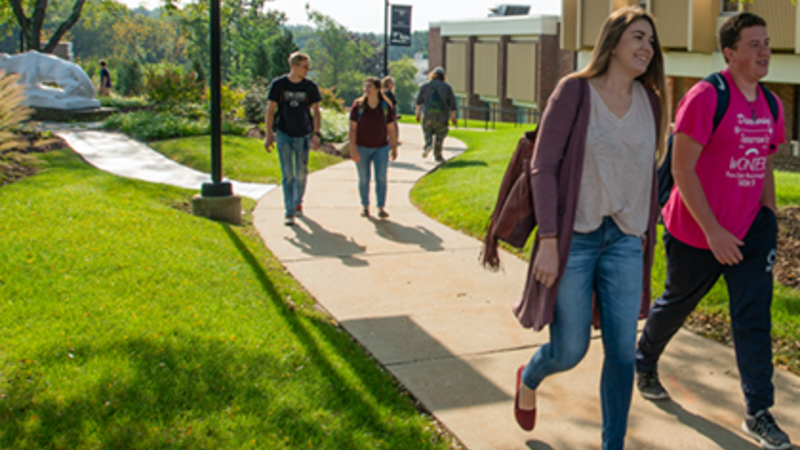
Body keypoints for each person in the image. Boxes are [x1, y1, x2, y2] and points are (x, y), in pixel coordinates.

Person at [635, 12, 792, 450]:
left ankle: (758, 411)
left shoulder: (772, 104)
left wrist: (769, 216)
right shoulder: (706, 96)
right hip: (694, 231)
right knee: (678, 302)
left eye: (766, 43)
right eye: (754, 44)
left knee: (753, 315)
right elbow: (683, 169)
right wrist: (714, 232)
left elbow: (763, 163)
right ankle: (644, 359)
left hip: (748, 229)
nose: (764, 51)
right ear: (730, 53)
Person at [512, 8, 667, 450]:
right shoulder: (574, 92)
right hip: (574, 239)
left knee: (621, 354)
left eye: (651, 42)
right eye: (638, 37)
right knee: (570, 350)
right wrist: (547, 240)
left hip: (624, 241)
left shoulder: (651, 101)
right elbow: (543, 168)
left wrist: (645, 230)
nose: (646, 48)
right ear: (613, 41)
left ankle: (611, 445)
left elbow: (645, 174)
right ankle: (531, 375)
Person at [264, 51, 322, 226]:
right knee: (288, 174)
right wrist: (268, 134)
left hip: (303, 134)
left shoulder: (310, 87)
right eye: (304, 67)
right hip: (284, 134)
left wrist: (316, 134)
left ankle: (298, 201)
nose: (307, 70)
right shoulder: (279, 85)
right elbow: (270, 110)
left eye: (308, 67)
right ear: (294, 66)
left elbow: (316, 111)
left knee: (301, 174)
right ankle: (289, 211)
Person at [349, 77, 398, 219]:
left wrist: (394, 147)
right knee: (364, 178)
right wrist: (353, 149)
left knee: (381, 177)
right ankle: (365, 206)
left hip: (381, 148)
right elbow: (352, 129)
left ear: (377, 89)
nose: (366, 89)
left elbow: (391, 128)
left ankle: (381, 207)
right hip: (362, 147)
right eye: (365, 86)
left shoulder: (385, 106)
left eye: (369, 86)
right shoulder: (358, 106)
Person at [415, 67, 456, 163]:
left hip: (428, 115)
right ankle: (438, 156)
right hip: (442, 117)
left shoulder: (425, 86)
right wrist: (453, 117)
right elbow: (453, 105)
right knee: (440, 136)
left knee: (427, 131)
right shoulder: (447, 88)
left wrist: (418, 113)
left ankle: (428, 145)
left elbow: (418, 102)